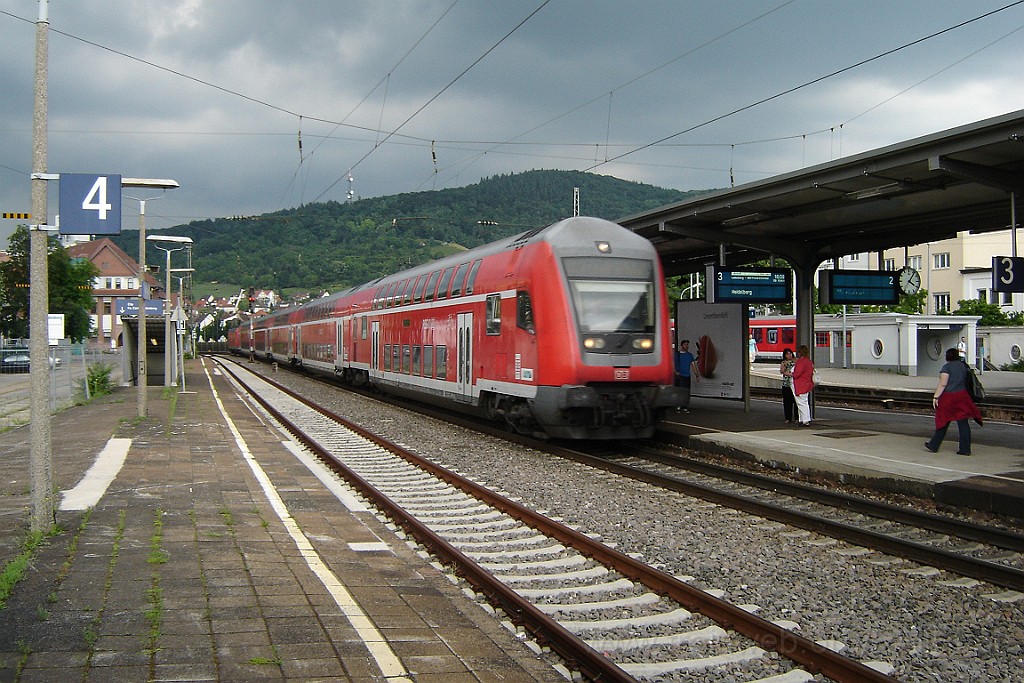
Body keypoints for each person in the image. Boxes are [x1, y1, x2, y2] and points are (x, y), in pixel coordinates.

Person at [926, 347, 983, 455]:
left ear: (947, 357)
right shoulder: (963, 366)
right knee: (963, 423)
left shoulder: (946, 368)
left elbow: (943, 383)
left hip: (949, 398)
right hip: (963, 396)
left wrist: (936, 396)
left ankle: (934, 444)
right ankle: (965, 449)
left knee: (943, 420)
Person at [791, 344, 815, 426]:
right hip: (807, 383)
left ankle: (805, 420)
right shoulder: (809, 361)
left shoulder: (801, 362)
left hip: (800, 384)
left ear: (800, 352)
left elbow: (797, 374)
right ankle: (803, 419)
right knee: (803, 402)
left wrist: (790, 373)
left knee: (801, 403)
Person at [674, 339, 696, 412]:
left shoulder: (690, 355)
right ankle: (679, 405)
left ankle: (684, 406)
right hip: (680, 375)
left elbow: (693, 365)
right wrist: (675, 372)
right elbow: (672, 364)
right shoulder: (677, 354)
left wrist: (697, 374)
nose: (686, 346)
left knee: (686, 391)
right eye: (685, 344)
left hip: (687, 375)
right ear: (682, 345)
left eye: (687, 344)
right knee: (680, 391)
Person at [779, 348, 796, 423]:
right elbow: (781, 371)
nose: (789, 355)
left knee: (796, 402)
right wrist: (784, 366)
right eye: (787, 354)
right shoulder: (783, 362)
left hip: (795, 384)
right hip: (786, 384)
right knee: (787, 402)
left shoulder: (796, 361)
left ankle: (797, 417)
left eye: (790, 353)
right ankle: (788, 418)